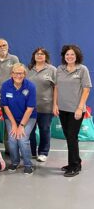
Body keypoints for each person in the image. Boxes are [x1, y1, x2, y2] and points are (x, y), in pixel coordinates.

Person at [53, 45, 92, 177]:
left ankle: (74, 166)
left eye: (72, 55)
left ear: (77, 56)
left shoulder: (82, 69)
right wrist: (55, 105)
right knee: (69, 136)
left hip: (76, 109)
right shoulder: (59, 69)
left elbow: (86, 89)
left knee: (71, 137)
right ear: (64, 56)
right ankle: (74, 162)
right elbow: (56, 87)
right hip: (62, 109)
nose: (69, 57)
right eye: (67, 55)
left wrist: (80, 107)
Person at [0, 63, 37, 175]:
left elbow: (30, 108)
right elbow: (5, 106)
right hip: (11, 117)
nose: (18, 76)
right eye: (15, 73)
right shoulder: (5, 85)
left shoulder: (30, 86)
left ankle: (28, 164)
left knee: (22, 138)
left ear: (24, 74)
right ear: (12, 74)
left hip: (28, 117)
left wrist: (21, 126)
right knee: (12, 139)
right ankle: (15, 162)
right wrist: (14, 124)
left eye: (21, 73)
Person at [27, 47, 56, 162]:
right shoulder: (29, 69)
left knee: (44, 130)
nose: (39, 56)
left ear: (46, 57)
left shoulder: (52, 70)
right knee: (30, 131)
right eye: (37, 54)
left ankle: (43, 152)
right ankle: (32, 152)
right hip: (30, 108)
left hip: (46, 108)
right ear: (34, 56)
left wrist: (55, 105)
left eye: (42, 54)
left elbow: (56, 88)